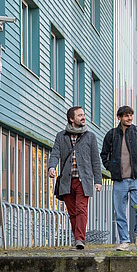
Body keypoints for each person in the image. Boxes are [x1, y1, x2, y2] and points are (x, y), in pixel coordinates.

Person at [100, 105, 137, 251]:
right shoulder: (111, 134)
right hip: (119, 180)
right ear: (119, 117)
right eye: (126, 115)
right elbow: (104, 154)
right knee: (120, 212)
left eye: (131, 115)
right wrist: (111, 167)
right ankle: (124, 240)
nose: (129, 118)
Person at [48, 106, 102, 250]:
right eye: (79, 115)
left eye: (83, 115)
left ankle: (79, 240)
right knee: (72, 213)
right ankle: (77, 238)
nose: (83, 117)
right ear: (72, 119)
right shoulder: (61, 136)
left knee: (81, 210)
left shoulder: (90, 136)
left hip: (83, 181)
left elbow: (95, 160)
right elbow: (55, 153)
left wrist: (98, 180)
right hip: (66, 181)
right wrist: (52, 167)